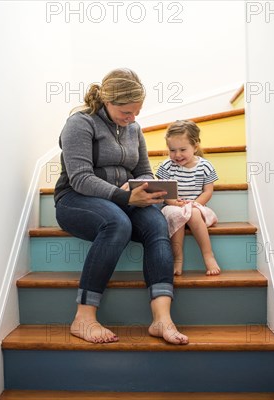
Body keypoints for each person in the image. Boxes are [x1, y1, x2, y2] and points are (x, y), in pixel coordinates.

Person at [54, 68, 188, 345]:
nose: (132, 119)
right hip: (76, 200)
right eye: (126, 112)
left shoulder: (134, 128)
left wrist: (149, 188)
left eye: (136, 112)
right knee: (117, 223)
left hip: (122, 198)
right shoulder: (80, 123)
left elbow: (144, 170)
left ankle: (162, 319)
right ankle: (84, 317)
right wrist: (124, 197)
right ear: (108, 101)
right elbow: (80, 178)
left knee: (156, 223)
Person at [155, 120, 221, 276]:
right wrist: (173, 202)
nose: (177, 155)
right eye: (172, 150)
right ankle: (177, 258)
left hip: (195, 206)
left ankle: (208, 255)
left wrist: (195, 204)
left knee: (194, 212)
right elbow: (163, 191)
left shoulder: (205, 166)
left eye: (183, 149)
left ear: (195, 146)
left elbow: (208, 191)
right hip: (173, 207)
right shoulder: (167, 166)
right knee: (178, 214)